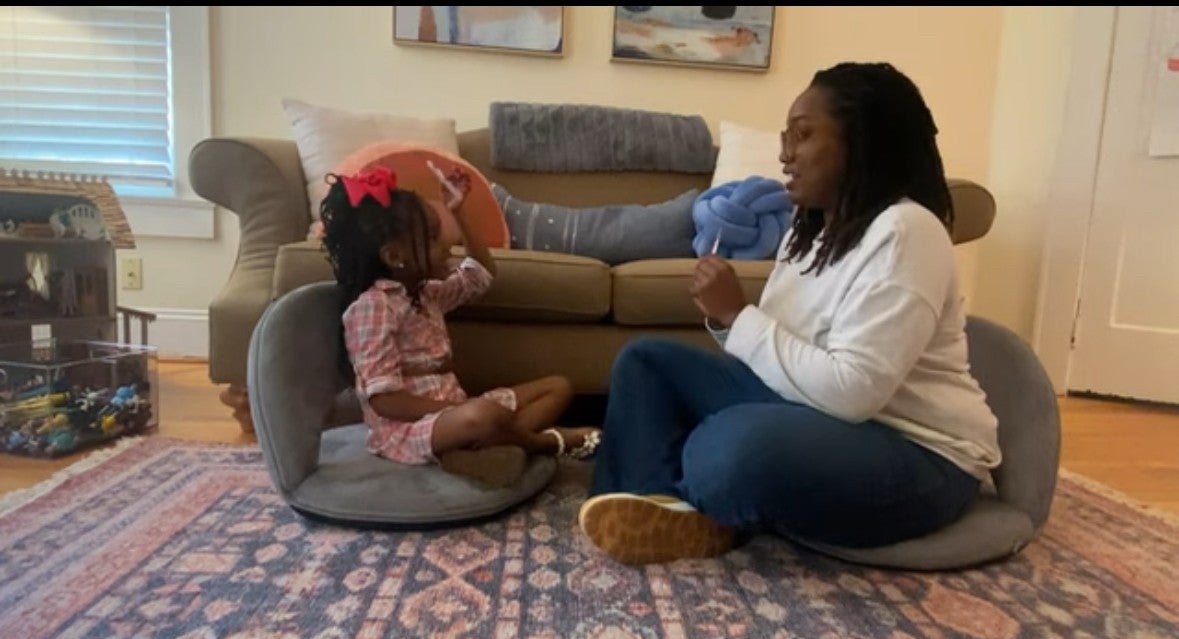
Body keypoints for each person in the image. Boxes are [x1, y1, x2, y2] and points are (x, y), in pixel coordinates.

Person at [578, 61, 1001, 565]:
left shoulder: (908, 231)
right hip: (819, 416)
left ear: (862, 142)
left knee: (724, 451)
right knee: (645, 362)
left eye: (802, 135)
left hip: (915, 453)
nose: (784, 155)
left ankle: (699, 494)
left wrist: (740, 316)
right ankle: (663, 510)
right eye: (786, 137)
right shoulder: (812, 232)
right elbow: (781, 357)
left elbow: (852, 392)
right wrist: (726, 318)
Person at [319, 162, 600, 488]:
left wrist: (460, 211)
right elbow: (385, 402)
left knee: (558, 387)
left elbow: (480, 273)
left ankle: (483, 448)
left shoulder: (426, 294)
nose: (446, 246)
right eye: (433, 238)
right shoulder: (372, 307)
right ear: (395, 256)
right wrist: (459, 408)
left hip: (458, 414)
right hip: (408, 427)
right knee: (484, 416)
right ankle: (545, 443)